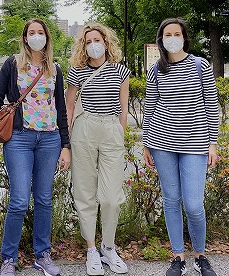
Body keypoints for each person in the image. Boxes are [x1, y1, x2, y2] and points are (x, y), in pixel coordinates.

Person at [0, 18, 71, 276]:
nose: (36, 36)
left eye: (40, 32)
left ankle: (42, 254)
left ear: (47, 37)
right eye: (31, 32)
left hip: (49, 139)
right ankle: (8, 258)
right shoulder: (13, 65)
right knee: (20, 200)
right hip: (20, 139)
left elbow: (61, 110)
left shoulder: (55, 69)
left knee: (44, 199)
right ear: (25, 38)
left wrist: (66, 145)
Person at [143, 18, 219, 276]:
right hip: (161, 142)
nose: (172, 38)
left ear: (184, 38)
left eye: (177, 34)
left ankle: (200, 256)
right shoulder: (156, 69)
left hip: (196, 144)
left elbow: (212, 106)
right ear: (161, 39)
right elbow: (149, 106)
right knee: (171, 200)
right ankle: (178, 257)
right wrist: (146, 143)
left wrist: (213, 143)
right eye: (167, 34)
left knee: (194, 205)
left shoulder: (200, 65)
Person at [65, 23, 130, 276]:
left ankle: (109, 247)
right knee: (85, 192)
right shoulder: (77, 72)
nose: (93, 44)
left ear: (106, 42)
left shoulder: (120, 71)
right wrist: (67, 140)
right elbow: (69, 106)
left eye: (97, 39)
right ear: (84, 45)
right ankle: (91, 248)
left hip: (111, 128)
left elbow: (124, 107)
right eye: (88, 40)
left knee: (111, 198)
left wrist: (120, 131)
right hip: (85, 128)